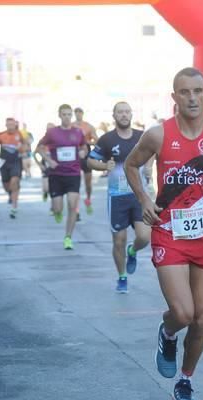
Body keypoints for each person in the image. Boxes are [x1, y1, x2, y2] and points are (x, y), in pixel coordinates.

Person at [124, 67, 203, 400]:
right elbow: (132, 166)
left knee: (202, 318)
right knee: (183, 312)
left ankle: (186, 380)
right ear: (174, 97)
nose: (192, 98)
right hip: (170, 231)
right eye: (184, 92)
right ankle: (168, 332)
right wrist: (145, 199)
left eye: (197, 91)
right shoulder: (158, 135)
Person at [87, 102, 151, 293]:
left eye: (126, 112)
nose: (124, 115)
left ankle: (133, 251)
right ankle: (122, 277)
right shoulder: (107, 139)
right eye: (120, 112)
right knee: (119, 240)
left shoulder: (142, 137)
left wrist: (149, 165)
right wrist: (103, 166)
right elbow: (90, 160)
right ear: (114, 116)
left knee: (144, 236)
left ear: (131, 114)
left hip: (139, 195)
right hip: (117, 197)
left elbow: (154, 151)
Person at [36, 104, 87, 250]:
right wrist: (48, 159)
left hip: (73, 173)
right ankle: (57, 211)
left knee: (72, 205)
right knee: (58, 208)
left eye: (69, 114)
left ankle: (68, 237)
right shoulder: (52, 133)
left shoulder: (78, 132)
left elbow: (84, 146)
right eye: (64, 114)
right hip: (56, 175)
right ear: (59, 115)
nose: (67, 117)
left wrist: (83, 152)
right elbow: (39, 147)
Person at [73, 107, 99, 215]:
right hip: (75, 156)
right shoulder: (71, 126)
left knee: (88, 183)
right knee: (75, 183)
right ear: (74, 114)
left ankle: (88, 199)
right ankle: (76, 209)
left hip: (87, 156)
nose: (78, 114)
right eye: (76, 112)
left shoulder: (89, 126)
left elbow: (97, 141)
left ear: (82, 114)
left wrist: (87, 142)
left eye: (80, 112)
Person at [0, 118, 25, 219]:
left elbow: (25, 147)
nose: (10, 126)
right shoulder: (1, 135)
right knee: (6, 185)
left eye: (12, 125)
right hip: (3, 163)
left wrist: (21, 148)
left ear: (15, 125)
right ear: (6, 125)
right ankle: (10, 193)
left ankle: (14, 208)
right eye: (8, 125)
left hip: (16, 162)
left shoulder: (19, 135)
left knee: (14, 181)